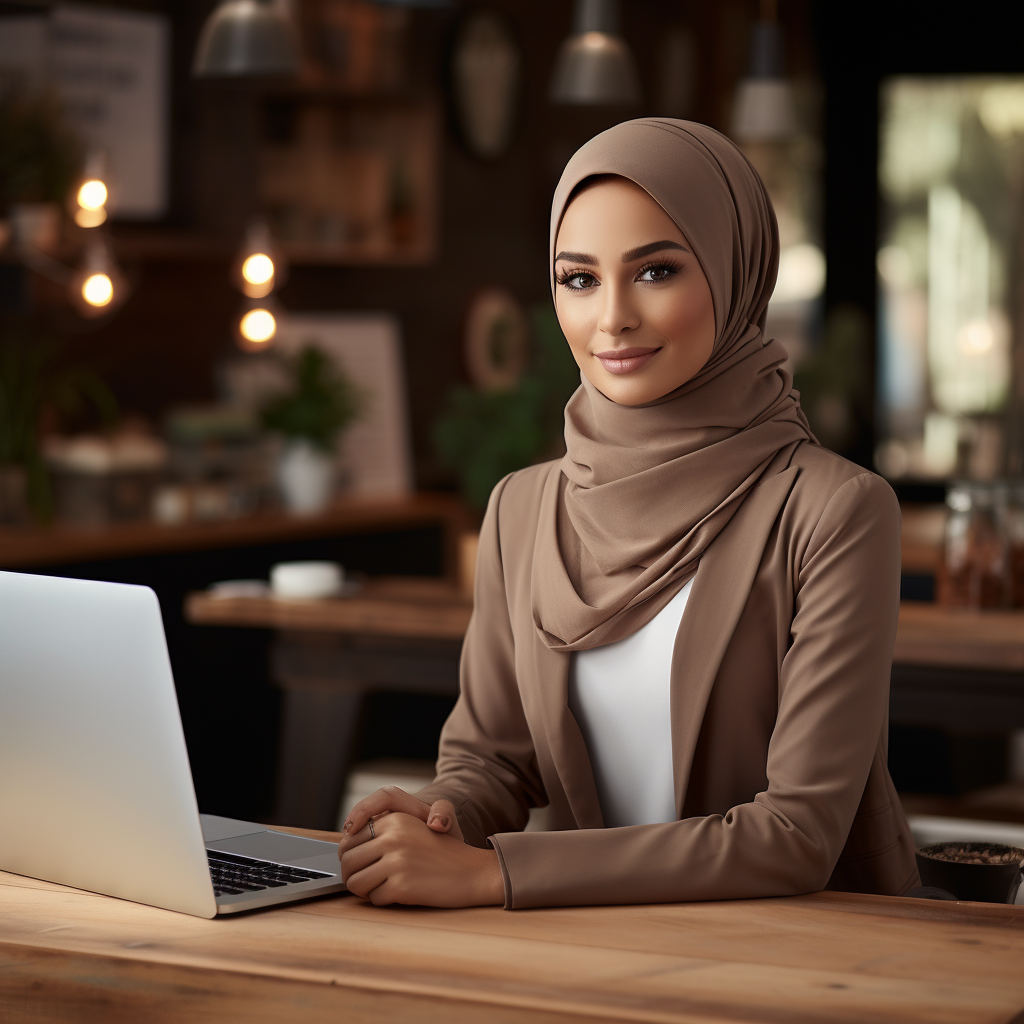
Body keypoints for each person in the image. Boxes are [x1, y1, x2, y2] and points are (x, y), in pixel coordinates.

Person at [337, 118, 920, 909]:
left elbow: (797, 836)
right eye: (579, 279)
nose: (611, 317)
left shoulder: (837, 511)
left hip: (797, 960)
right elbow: (494, 763)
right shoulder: (523, 507)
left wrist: (497, 874)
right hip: (585, 946)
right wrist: (445, 820)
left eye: (655, 272)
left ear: (734, 271)